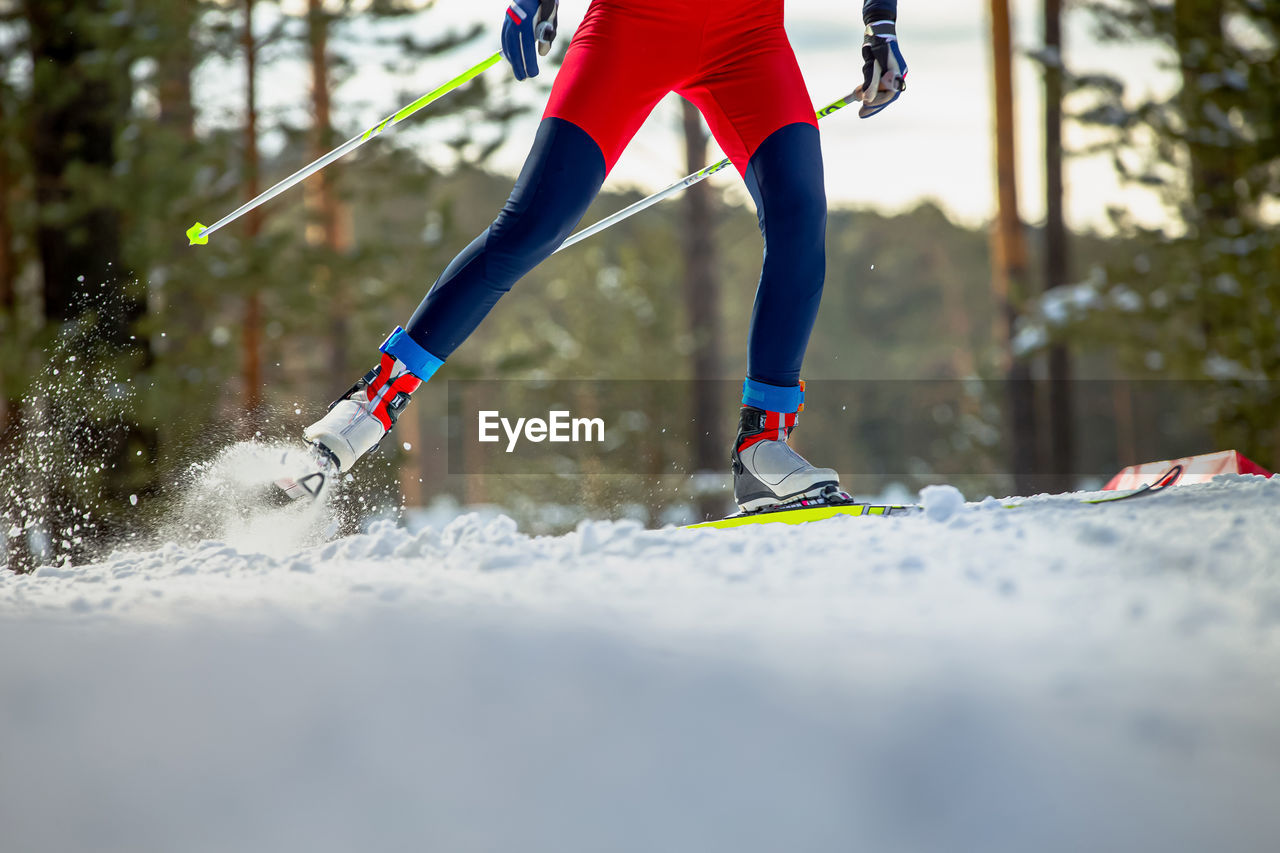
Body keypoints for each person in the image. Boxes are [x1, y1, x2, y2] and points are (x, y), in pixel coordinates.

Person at [303, 0, 907, 512]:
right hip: (634, 24)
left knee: (801, 221)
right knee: (531, 226)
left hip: (747, 36)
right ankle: (373, 401)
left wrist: (881, 25)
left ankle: (762, 447)